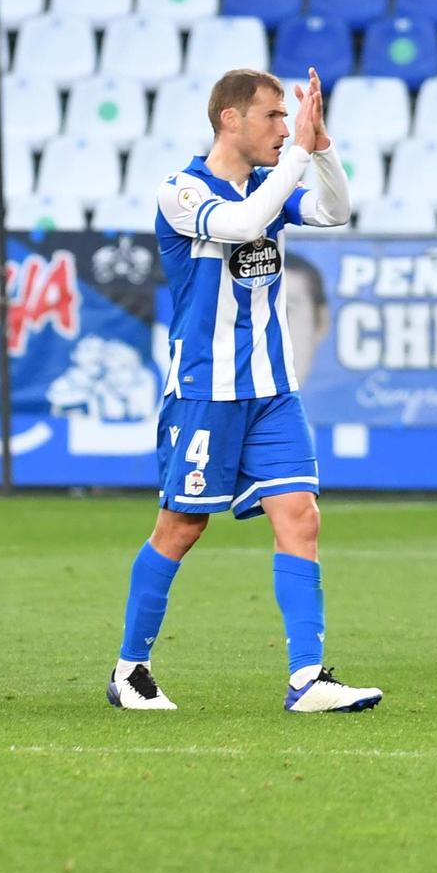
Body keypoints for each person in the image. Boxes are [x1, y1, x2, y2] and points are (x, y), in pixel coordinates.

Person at [110, 67, 379, 714]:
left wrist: (322, 147)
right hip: (207, 390)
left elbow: (335, 210)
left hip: (273, 391)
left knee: (301, 517)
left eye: (289, 118)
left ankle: (308, 677)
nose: (283, 129)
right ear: (230, 119)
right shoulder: (181, 190)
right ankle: (130, 671)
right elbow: (241, 223)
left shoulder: (268, 181)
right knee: (181, 525)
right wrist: (299, 156)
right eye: (272, 117)